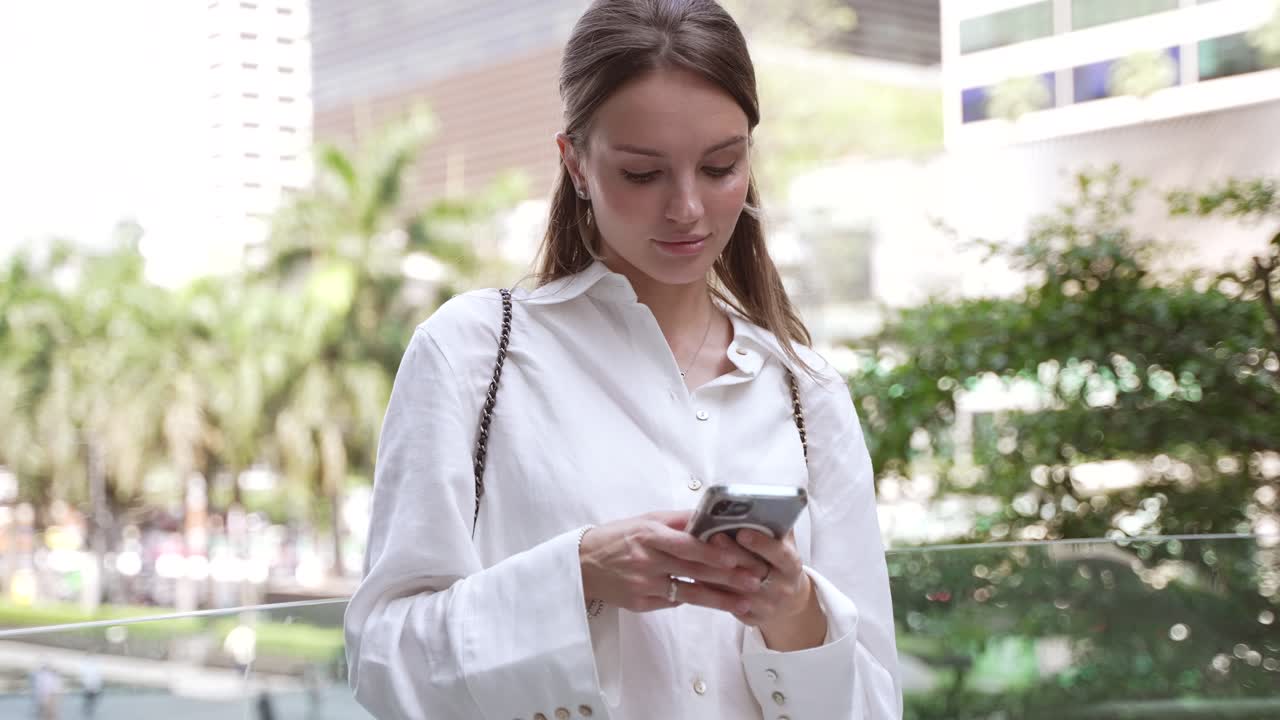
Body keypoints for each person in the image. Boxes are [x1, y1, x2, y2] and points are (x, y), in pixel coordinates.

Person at [343, 1, 902, 718]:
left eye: (721, 166)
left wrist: (793, 609)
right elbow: (382, 660)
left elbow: (874, 702)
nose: (689, 209)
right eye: (643, 174)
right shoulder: (473, 356)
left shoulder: (807, 392)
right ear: (575, 163)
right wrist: (576, 575)